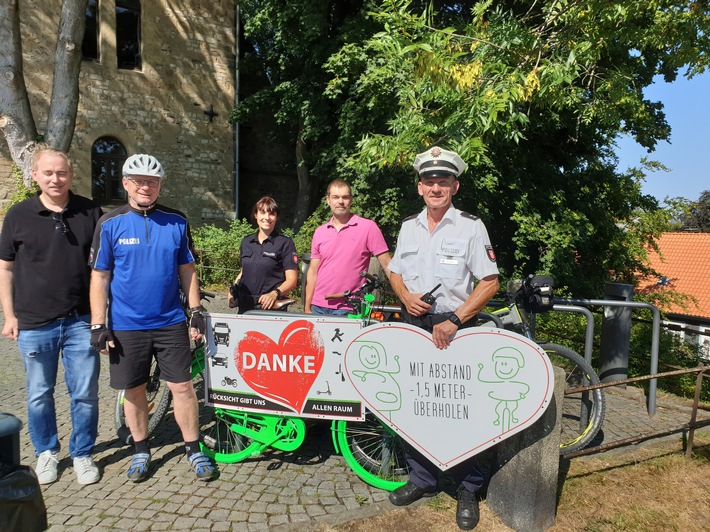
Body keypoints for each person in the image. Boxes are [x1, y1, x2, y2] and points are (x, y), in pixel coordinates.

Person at [387, 146, 500, 530]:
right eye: (429, 182)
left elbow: (489, 282)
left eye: (443, 181)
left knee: (462, 409)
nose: (436, 188)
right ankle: (422, 478)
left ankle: (468, 487)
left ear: (455, 185)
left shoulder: (471, 226)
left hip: (456, 329)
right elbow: (395, 271)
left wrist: (454, 319)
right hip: (415, 325)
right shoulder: (408, 227)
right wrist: (404, 296)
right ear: (420, 187)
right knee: (416, 404)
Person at [89, 153, 214, 482]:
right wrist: (98, 325)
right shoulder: (110, 223)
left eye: (153, 182)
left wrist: (196, 310)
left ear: (160, 185)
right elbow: (99, 277)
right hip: (127, 326)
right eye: (140, 181)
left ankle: (193, 448)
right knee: (134, 390)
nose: (146, 187)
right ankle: (141, 450)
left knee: (184, 387)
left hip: (171, 321)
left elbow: (187, 269)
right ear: (126, 183)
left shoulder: (177, 221)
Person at [0, 148, 103, 486]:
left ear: (71, 175)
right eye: (48, 173)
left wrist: (103, 318)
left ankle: (83, 453)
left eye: (61, 173)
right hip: (33, 322)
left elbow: (103, 270)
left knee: (85, 393)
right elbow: (6, 269)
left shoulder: (90, 212)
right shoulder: (18, 215)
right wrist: (9, 315)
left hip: (81, 320)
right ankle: (46, 452)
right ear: (35, 176)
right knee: (39, 393)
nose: (55, 179)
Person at [304, 179, 391, 315]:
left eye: (345, 197)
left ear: (351, 200)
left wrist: (405, 296)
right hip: (318, 307)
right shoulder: (320, 232)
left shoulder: (368, 228)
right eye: (335, 197)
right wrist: (307, 307)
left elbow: (387, 264)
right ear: (328, 200)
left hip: (349, 307)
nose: (340, 201)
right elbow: (313, 272)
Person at [229, 196, 298, 313]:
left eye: (271, 213)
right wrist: (232, 291)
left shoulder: (285, 243)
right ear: (255, 215)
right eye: (262, 213)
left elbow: (292, 280)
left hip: (270, 306)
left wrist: (274, 293)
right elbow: (243, 271)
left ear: (276, 217)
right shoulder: (246, 242)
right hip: (246, 305)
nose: (267, 217)